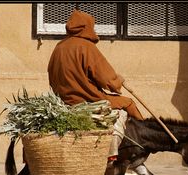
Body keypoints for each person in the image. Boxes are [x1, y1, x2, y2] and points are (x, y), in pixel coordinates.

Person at [48, 9, 143, 161]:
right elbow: (107, 81)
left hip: (63, 102)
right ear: (86, 27)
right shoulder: (86, 47)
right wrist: (118, 80)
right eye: (93, 26)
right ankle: (137, 150)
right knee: (128, 103)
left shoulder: (59, 47)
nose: (94, 29)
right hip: (88, 100)